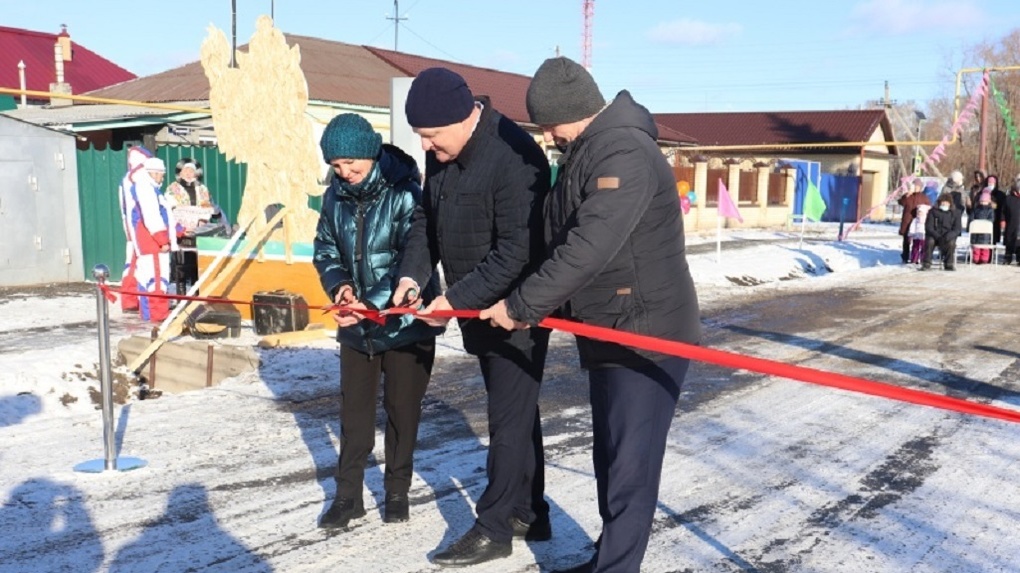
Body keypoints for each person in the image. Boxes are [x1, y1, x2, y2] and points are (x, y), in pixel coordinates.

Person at [480, 56, 702, 573]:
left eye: (548, 123)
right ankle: (609, 558)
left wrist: (520, 307)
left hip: (648, 334)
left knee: (630, 468)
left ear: (571, 112)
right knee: (611, 458)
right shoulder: (588, 150)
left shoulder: (623, 150)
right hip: (611, 328)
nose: (547, 134)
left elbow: (587, 246)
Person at [390, 67, 552, 567]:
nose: (427, 148)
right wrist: (414, 276)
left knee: (506, 419)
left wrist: (454, 299)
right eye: (421, 138)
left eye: (432, 137)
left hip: (517, 311)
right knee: (517, 412)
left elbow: (516, 252)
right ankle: (531, 509)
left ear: (464, 118)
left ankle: (494, 527)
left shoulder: (516, 156)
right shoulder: (442, 153)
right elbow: (426, 221)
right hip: (473, 307)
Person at [312, 113, 444, 529]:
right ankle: (348, 496)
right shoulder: (333, 197)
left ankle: (396, 491)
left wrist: (370, 301)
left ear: (370, 154)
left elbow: (414, 257)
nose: (344, 172)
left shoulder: (406, 193)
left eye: (352, 163)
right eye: (336, 165)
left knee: (402, 412)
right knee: (354, 418)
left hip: (406, 325)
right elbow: (326, 250)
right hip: (357, 327)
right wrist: (341, 292)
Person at [118, 153, 179, 322]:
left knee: (145, 281)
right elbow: (152, 217)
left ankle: (148, 316)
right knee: (157, 281)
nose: (163, 177)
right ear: (154, 172)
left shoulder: (144, 187)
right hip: (152, 244)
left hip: (146, 243)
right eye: (161, 174)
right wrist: (163, 240)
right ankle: (158, 316)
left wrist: (177, 231)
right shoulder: (146, 188)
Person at [164, 159, 215, 296]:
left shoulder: (202, 189)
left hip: (198, 231)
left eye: (191, 170)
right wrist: (182, 223)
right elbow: (171, 209)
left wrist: (201, 220)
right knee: (181, 264)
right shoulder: (172, 188)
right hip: (181, 231)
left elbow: (206, 208)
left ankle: (196, 294)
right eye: (185, 170)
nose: (188, 173)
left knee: (196, 265)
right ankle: (181, 295)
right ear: (179, 173)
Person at [922, 193, 961, 271]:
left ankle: (948, 264)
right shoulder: (933, 212)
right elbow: (929, 227)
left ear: (950, 203)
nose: (944, 205)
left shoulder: (956, 213)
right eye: (943, 203)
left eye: (946, 203)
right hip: (935, 235)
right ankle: (926, 263)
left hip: (948, 235)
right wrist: (938, 236)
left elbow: (957, 229)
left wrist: (948, 236)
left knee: (951, 243)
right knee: (929, 241)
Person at [898, 178, 931, 264]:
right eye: (914, 186)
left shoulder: (924, 197)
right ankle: (905, 256)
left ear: (920, 187)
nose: (916, 188)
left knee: (918, 240)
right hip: (907, 220)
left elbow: (928, 207)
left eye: (917, 186)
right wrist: (906, 195)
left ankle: (916, 257)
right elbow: (901, 202)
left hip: (919, 222)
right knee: (906, 239)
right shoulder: (908, 196)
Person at [969, 190, 995, 264]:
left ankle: (984, 259)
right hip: (976, 231)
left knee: (985, 246)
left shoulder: (990, 210)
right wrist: (975, 222)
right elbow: (971, 218)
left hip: (985, 232)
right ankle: (976, 258)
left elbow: (992, 219)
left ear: (989, 202)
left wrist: (985, 223)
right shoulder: (976, 209)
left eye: (985, 201)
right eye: (982, 201)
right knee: (976, 246)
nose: (983, 203)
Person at [1001, 176, 1020, 265]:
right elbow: (1003, 211)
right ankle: (1007, 257)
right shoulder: (1009, 198)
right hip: (1011, 223)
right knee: (1009, 240)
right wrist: (1003, 220)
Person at [986, 174, 1007, 245]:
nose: (990, 184)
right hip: (984, 218)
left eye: (992, 183)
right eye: (989, 182)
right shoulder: (982, 192)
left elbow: (1004, 207)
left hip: (996, 219)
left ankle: (993, 253)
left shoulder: (1000, 194)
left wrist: (996, 206)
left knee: (993, 239)